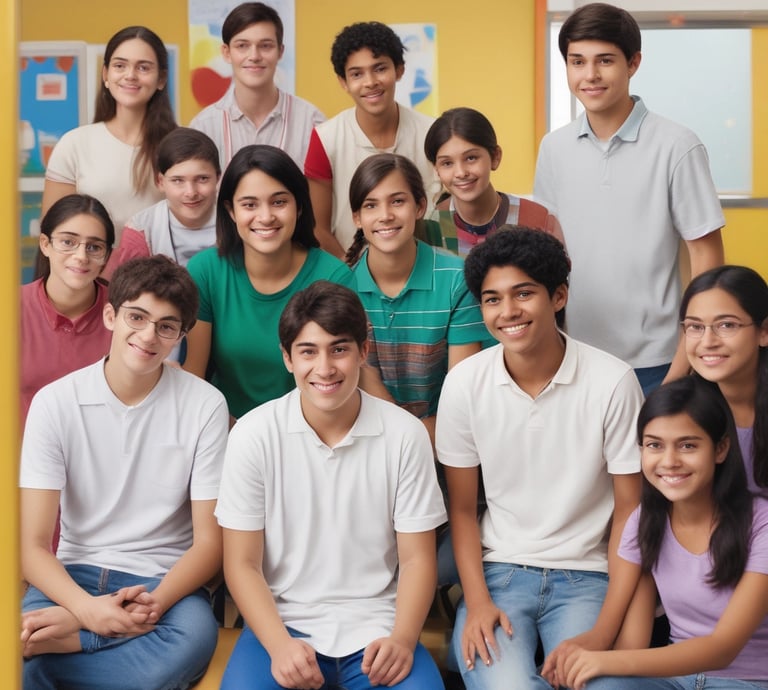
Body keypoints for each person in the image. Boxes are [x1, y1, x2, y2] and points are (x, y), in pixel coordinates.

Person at [436, 227, 644, 689]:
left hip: (588, 575)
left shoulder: (613, 382)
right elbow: (464, 511)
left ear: (558, 296)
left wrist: (604, 632)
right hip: (500, 574)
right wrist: (477, 601)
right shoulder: (465, 384)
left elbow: (631, 512)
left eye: (523, 293)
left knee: (594, 684)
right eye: (492, 299)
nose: (507, 312)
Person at [216, 280, 447, 690]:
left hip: (379, 627)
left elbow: (416, 560)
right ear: (287, 358)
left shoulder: (405, 434)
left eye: (338, 349)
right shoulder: (253, 434)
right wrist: (279, 645)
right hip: (281, 625)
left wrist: (403, 639)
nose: (324, 368)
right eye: (308, 351)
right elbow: (241, 563)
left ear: (363, 350)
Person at [19, 255, 229, 690]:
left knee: (192, 639)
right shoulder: (55, 403)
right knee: (20, 640)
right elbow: (32, 544)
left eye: (167, 326)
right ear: (111, 315)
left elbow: (210, 543)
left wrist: (120, 617)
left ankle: (72, 651)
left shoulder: (205, 404)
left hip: (164, 582)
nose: (149, 335)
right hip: (74, 573)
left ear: (181, 336)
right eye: (137, 317)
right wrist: (87, 609)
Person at [533, 2, 724, 395]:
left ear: (633, 63)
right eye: (577, 61)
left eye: (605, 60)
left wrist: (685, 359)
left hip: (658, 360)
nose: (590, 75)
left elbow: (707, 259)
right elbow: (549, 249)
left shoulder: (677, 145)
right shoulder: (554, 148)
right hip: (575, 356)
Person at [541, 376, 768, 690]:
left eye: (688, 445)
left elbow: (722, 649)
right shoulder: (645, 521)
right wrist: (579, 659)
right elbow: (632, 644)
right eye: (654, 445)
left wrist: (603, 661)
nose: (670, 461)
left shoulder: (761, 524)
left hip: (749, 681)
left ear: (720, 449)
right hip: (674, 681)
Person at [184, 144, 355, 421]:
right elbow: (194, 374)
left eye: (279, 202)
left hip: (308, 431)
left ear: (299, 206)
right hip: (224, 428)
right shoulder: (205, 271)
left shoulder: (334, 277)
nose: (265, 217)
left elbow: (339, 379)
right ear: (230, 210)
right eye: (250, 204)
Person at [346, 153, 488, 449]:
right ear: (357, 218)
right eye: (371, 205)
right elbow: (361, 376)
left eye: (398, 201)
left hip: (451, 438)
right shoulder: (342, 286)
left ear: (420, 206)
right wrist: (400, 441)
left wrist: (410, 440)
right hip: (372, 442)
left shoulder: (457, 279)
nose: (385, 215)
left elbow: (462, 392)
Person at [304, 21, 439, 258]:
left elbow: (447, 214)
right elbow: (319, 229)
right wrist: (350, 277)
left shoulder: (432, 133)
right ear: (343, 82)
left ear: (399, 70)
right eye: (357, 74)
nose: (370, 82)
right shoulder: (325, 139)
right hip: (351, 277)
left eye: (380, 69)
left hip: (426, 272)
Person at [42, 26, 176, 238]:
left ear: (161, 79)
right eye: (120, 65)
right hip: (91, 269)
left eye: (143, 68)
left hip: (164, 269)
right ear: (106, 74)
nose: (130, 75)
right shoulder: (74, 144)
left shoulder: (180, 146)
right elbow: (54, 235)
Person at [189, 2, 324, 171]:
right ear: (226, 52)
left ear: (280, 52)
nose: (254, 56)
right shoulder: (203, 127)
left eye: (265, 46)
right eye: (242, 46)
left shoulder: (312, 122)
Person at [21, 194, 114, 425]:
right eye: (68, 242)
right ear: (45, 244)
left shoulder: (125, 313)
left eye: (94, 247)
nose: (81, 256)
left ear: (107, 256)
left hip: (101, 454)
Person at [679, 265, 768, 499]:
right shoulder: (680, 412)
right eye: (695, 327)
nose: (708, 341)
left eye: (727, 325)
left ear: (764, 331)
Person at [424, 107, 562, 257]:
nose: (461, 173)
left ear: (495, 157)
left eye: (471, 158)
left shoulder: (537, 219)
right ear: (436, 169)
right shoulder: (431, 227)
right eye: (447, 163)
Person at [108, 127, 221, 273]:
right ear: (160, 182)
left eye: (202, 179)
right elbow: (131, 291)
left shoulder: (237, 220)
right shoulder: (141, 229)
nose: (191, 192)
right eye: (178, 180)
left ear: (218, 178)